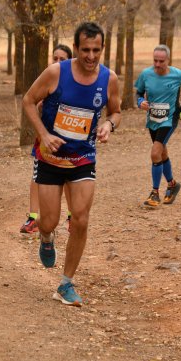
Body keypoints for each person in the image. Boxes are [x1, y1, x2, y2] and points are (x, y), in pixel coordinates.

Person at [22, 22, 121, 306]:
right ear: (76, 48)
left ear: (102, 49)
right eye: (86, 50)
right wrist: (43, 134)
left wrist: (109, 125)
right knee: (49, 221)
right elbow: (28, 101)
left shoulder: (109, 78)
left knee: (81, 218)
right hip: (51, 158)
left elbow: (116, 111)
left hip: (82, 158)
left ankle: (66, 284)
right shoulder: (56, 73)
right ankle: (46, 238)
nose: (91, 56)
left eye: (97, 50)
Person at [20, 44, 74, 234]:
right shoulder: (47, 78)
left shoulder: (75, 81)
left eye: (62, 59)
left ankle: (71, 217)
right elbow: (31, 102)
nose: (58, 62)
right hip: (45, 139)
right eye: (55, 58)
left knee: (68, 180)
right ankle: (33, 218)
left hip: (68, 140)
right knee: (36, 177)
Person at [135, 44, 181, 208]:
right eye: (155, 60)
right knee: (162, 152)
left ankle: (155, 193)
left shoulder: (177, 75)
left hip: (170, 118)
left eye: (161, 61)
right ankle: (172, 184)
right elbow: (138, 93)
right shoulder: (146, 74)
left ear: (168, 60)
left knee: (155, 152)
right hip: (153, 119)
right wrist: (140, 102)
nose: (157, 64)